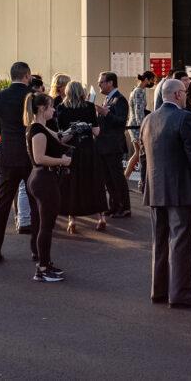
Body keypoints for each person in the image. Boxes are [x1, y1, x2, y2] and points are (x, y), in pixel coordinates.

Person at [143, 78, 191, 308]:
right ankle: (180, 293)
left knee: (160, 241)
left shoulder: (149, 119)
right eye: (184, 92)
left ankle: (159, 290)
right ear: (177, 95)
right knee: (180, 242)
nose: (186, 95)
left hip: (155, 189)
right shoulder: (184, 118)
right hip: (180, 189)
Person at [0, 61, 37, 263]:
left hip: (8, 153)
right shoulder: (31, 96)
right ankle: (36, 250)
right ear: (27, 76)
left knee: (2, 203)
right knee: (36, 201)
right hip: (30, 153)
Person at [25, 92, 73, 282]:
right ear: (42, 109)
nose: (54, 110)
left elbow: (60, 137)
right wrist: (63, 161)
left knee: (46, 225)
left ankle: (46, 262)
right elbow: (39, 158)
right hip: (43, 179)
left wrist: (76, 129)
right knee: (46, 226)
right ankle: (42, 268)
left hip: (41, 179)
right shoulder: (37, 130)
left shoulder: (40, 127)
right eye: (51, 107)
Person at [56, 81, 109, 234]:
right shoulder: (88, 106)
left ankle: (72, 220)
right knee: (94, 182)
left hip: (71, 150)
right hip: (88, 149)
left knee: (72, 184)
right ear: (81, 92)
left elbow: (62, 136)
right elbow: (97, 132)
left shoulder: (61, 108)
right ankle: (101, 217)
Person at [94, 71, 131, 218]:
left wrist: (106, 113)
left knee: (117, 177)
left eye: (101, 82)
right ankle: (114, 205)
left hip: (112, 145)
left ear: (110, 83)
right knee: (108, 178)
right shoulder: (108, 99)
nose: (99, 84)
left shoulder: (119, 99)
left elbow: (121, 121)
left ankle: (124, 207)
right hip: (104, 144)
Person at [125, 71, 157, 192]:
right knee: (140, 153)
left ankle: (126, 178)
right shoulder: (139, 92)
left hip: (133, 124)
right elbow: (139, 111)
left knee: (138, 153)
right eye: (152, 80)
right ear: (147, 79)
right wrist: (143, 126)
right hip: (136, 126)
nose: (153, 83)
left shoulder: (135, 90)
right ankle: (137, 180)